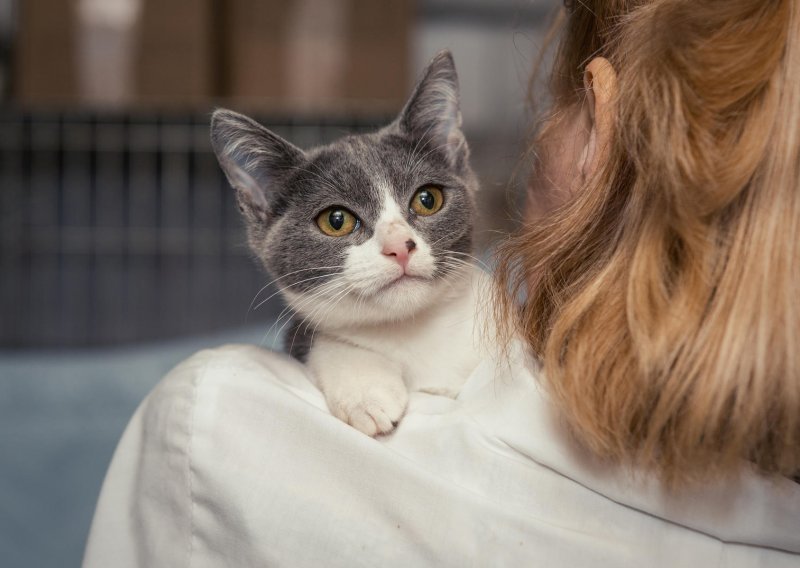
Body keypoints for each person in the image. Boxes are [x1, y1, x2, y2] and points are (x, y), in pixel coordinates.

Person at [83, 1, 800, 566]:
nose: (399, 243)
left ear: (598, 123)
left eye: (426, 201)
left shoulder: (209, 431)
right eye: (340, 221)